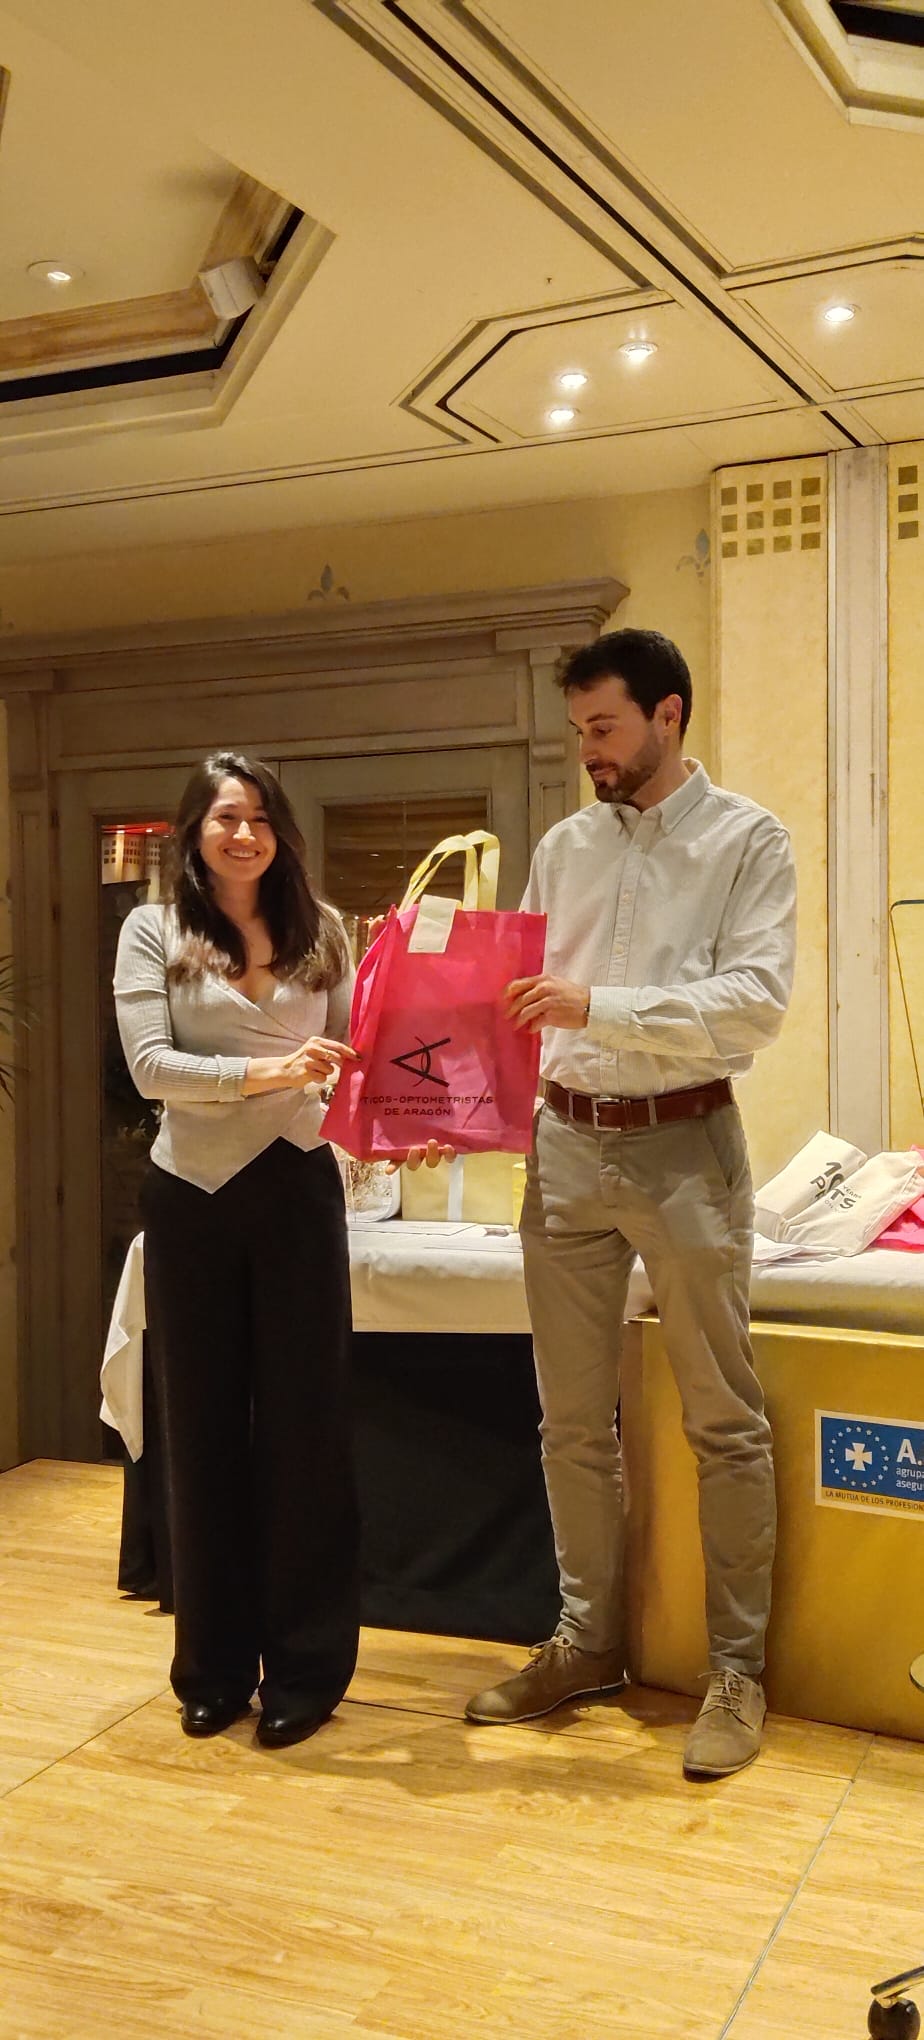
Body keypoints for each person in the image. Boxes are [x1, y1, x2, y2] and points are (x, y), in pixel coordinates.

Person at [464, 630, 797, 1778]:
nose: (590, 753)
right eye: (578, 732)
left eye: (603, 728)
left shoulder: (748, 840)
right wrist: (448, 1097)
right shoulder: (565, 847)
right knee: (568, 1423)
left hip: (687, 1147)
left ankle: (737, 1672)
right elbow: (517, 1004)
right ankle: (587, 1644)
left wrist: (597, 1006)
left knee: (724, 1421)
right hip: (564, 1146)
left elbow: (755, 1003)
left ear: (669, 714)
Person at [114, 751, 363, 1747]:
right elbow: (148, 1068)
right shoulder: (153, 929)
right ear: (195, 830)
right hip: (191, 1193)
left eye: (260, 817)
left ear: (281, 831)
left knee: (308, 1429)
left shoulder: (325, 930)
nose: (245, 833)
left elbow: (353, 1066)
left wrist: (404, 1118)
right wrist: (273, 1073)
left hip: (298, 1185)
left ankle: (308, 1668)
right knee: (201, 1428)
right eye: (226, 816)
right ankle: (212, 1668)